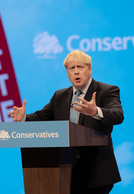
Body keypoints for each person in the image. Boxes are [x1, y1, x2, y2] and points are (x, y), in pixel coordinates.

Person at [10, 50, 124, 194]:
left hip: (96, 170)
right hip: (64, 169)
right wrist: (23, 118)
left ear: (90, 69)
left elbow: (117, 115)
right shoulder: (60, 95)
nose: (76, 72)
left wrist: (95, 112)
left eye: (80, 67)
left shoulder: (106, 91)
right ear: (67, 72)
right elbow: (42, 117)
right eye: (72, 68)